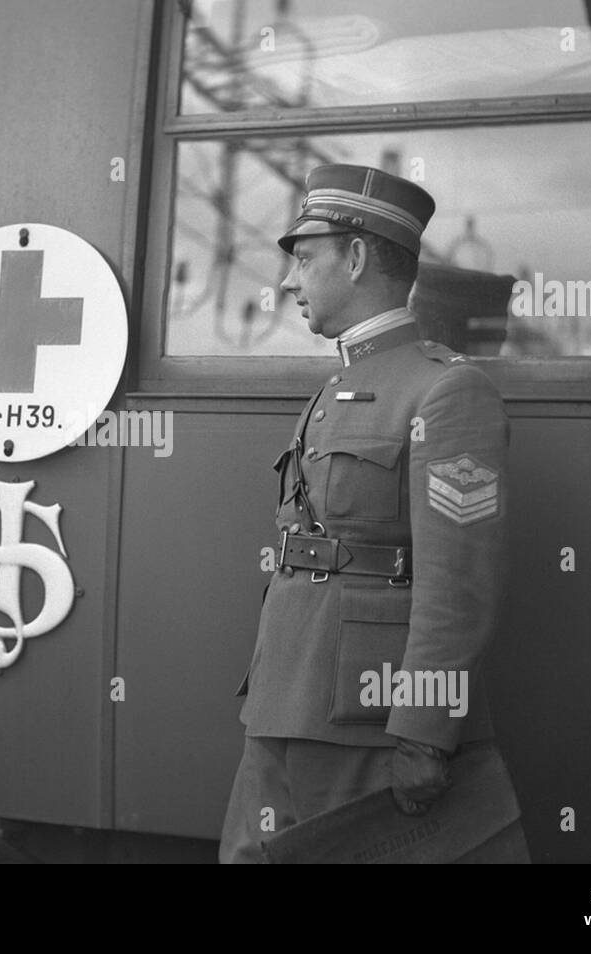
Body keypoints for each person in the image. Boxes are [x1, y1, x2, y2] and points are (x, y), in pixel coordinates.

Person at [219, 163, 528, 863]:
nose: (290, 282)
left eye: (304, 259)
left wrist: (425, 730)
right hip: (283, 701)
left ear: (356, 258)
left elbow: (460, 584)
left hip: (368, 721)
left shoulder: (446, 393)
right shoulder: (342, 384)